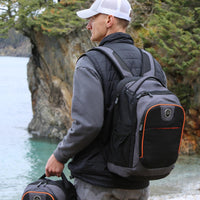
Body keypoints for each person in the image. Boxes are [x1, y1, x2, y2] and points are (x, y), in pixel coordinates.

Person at [45, 0, 167, 199]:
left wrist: (59, 156)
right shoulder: (153, 65)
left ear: (109, 19)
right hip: (139, 182)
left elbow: (88, 124)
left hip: (98, 183)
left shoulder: (90, 62)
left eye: (92, 18)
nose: (88, 25)